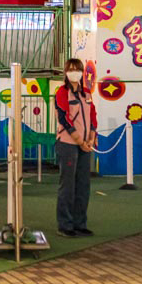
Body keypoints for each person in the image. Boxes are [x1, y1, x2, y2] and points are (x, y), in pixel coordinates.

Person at [55, 58, 97, 238]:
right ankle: (65, 224)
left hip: (85, 145)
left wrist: (92, 136)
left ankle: (80, 223)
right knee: (68, 185)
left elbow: (92, 115)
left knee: (83, 184)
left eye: (77, 69)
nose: (74, 72)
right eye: (71, 69)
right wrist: (80, 140)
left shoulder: (86, 93)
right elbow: (64, 118)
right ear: (65, 72)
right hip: (68, 144)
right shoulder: (62, 93)